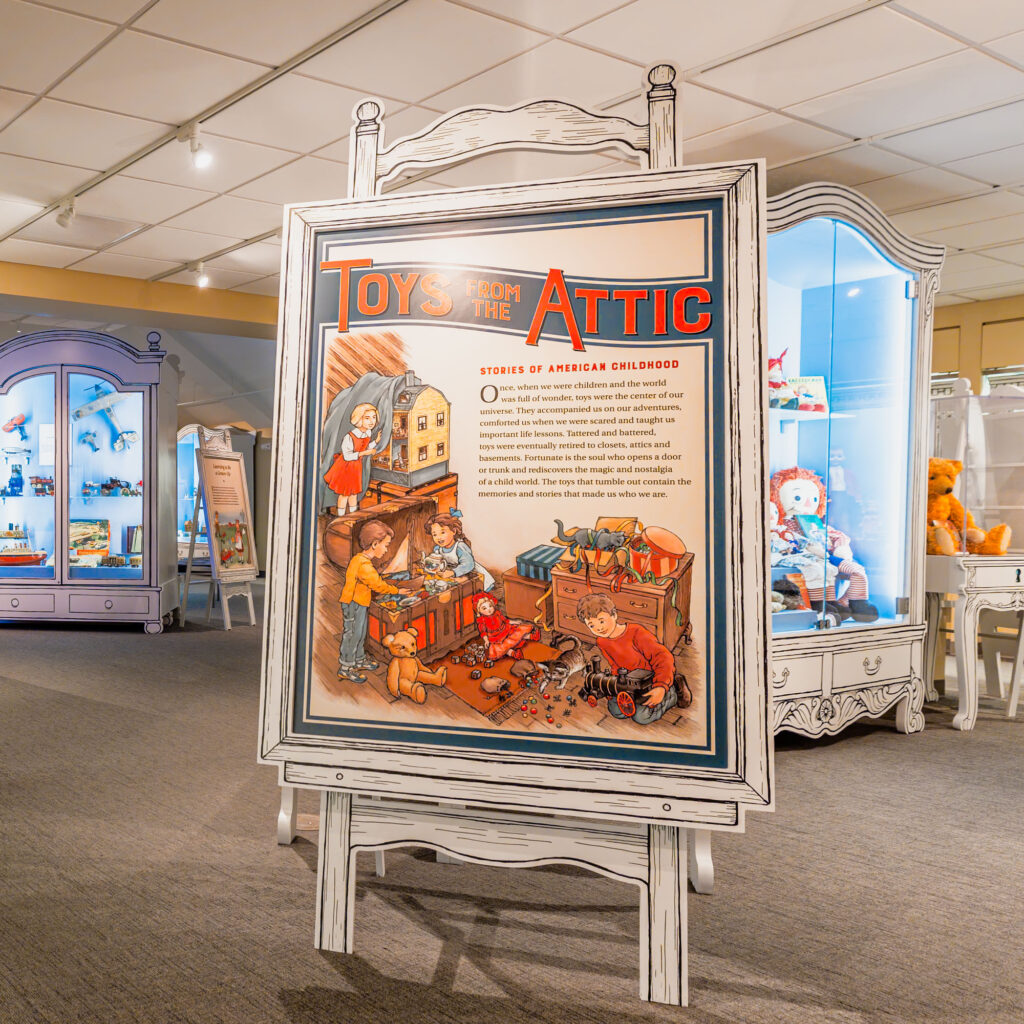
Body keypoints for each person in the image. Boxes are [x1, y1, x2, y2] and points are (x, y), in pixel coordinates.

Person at [577, 593, 692, 725]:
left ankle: (674, 690)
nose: (599, 628)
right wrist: (611, 686)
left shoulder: (636, 633)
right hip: (627, 682)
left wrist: (660, 686)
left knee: (641, 717)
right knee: (615, 710)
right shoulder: (602, 641)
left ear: (614, 615)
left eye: (601, 621)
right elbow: (615, 665)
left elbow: (663, 657)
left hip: (650, 679)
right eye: (592, 625)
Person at [339, 520, 410, 683]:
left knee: (360, 633)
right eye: (385, 545)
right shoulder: (363, 565)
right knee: (352, 635)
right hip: (353, 604)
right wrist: (397, 590)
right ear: (375, 543)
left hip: (360, 603)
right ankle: (346, 667)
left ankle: (359, 659)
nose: (386, 550)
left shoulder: (360, 560)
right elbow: (377, 585)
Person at [323, 403, 381, 516]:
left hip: (356, 468)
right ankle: (341, 518)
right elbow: (347, 456)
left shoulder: (367, 433)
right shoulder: (349, 437)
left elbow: (366, 446)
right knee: (345, 494)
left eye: (374, 417)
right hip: (345, 467)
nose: (371, 421)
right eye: (367, 418)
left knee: (353, 493)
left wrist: (376, 441)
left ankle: (352, 517)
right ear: (359, 419)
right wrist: (366, 453)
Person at [424, 511, 494, 590]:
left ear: (454, 531)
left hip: (472, 574)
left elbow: (468, 564)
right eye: (435, 534)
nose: (438, 537)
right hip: (456, 574)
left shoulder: (460, 547)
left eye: (442, 532)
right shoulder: (438, 549)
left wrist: (453, 572)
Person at [472, 592, 538, 661]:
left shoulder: (497, 613)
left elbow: (505, 620)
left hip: (505, 630)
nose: (489, 609)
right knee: (502, 647)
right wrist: (486, 640)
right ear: (479, 611)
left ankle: (531, 636)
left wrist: (514, 622)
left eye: (490, 606)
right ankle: (514, 654)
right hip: (496, 638)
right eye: (484, 608)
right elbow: (483, 632)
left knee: (516, 634)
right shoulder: (482, 621)